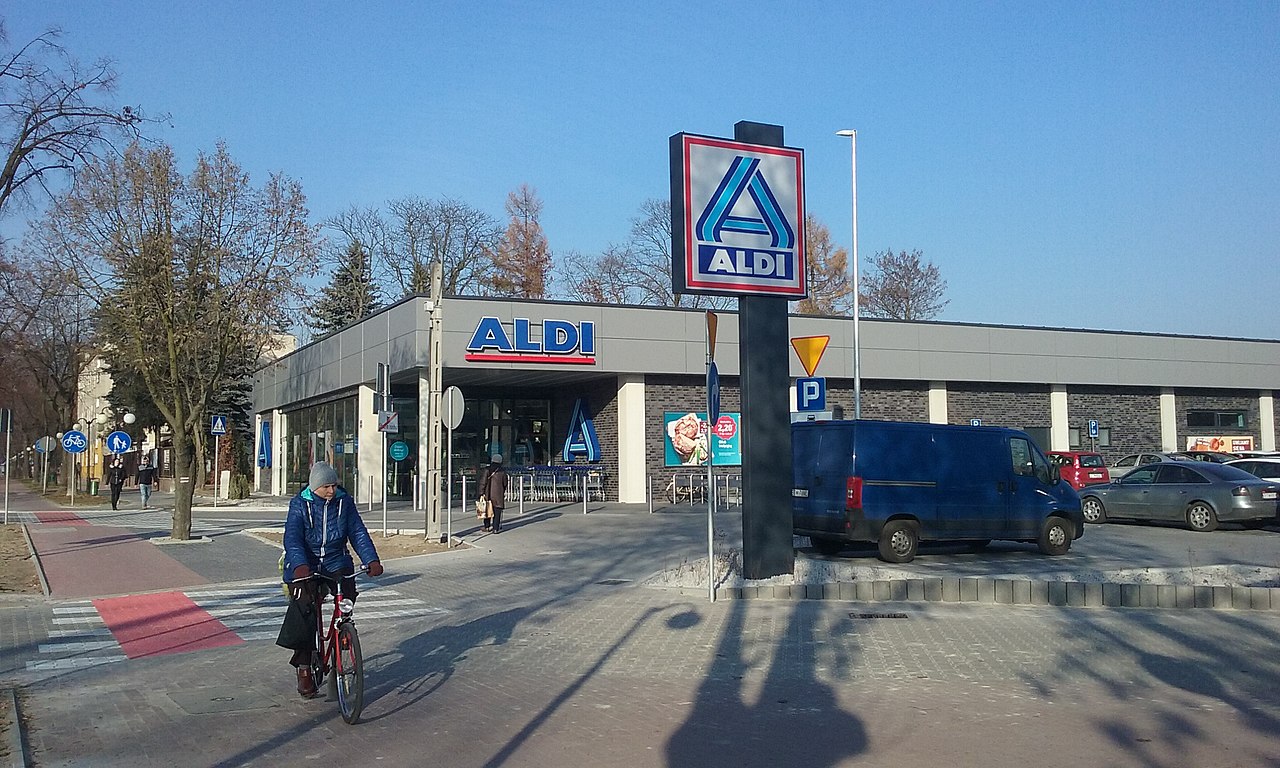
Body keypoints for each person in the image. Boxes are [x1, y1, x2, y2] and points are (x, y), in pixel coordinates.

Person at [281, 461, 384, 698]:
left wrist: (371, 560)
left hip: (336, 560)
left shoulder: (344, 502)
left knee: (347, 592)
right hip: (306, 563)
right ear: (314, 487)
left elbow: (357, 532)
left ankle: (343, 633)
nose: (331, 490)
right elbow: (293, 538)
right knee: (304, 608)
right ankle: (304, 668)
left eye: (334, 485)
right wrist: (300, 565)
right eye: (326, 486)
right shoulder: (299, 504)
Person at [480, 454, 509, 533]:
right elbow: (505, 483)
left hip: (488, 493)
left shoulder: (487, 470)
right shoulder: (502, 471)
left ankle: (487, 526)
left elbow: (483, 482)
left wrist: (481, 492)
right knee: (497, 511)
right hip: (498, 494)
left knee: (487, 510)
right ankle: (495, 528)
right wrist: (502, 490)